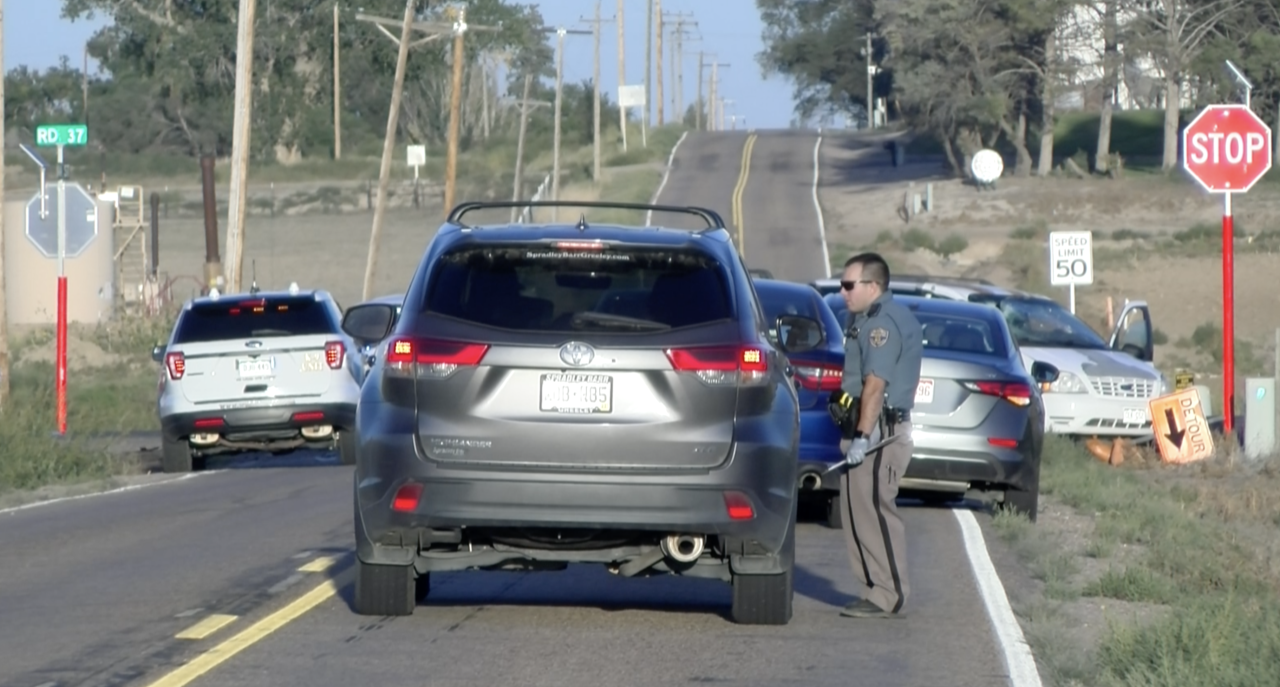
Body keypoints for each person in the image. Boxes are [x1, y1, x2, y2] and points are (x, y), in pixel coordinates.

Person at [827, 252, 923, 619]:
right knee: (856, 511)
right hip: (864, 427)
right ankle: (872, 589)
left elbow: (875, 385)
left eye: (849, 285)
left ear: (873, 286)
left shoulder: (883, 323)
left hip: (880, 431)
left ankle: (889, 593)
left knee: (875, 511)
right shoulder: (863, 318)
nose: (843, 291)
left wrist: (864, 436)